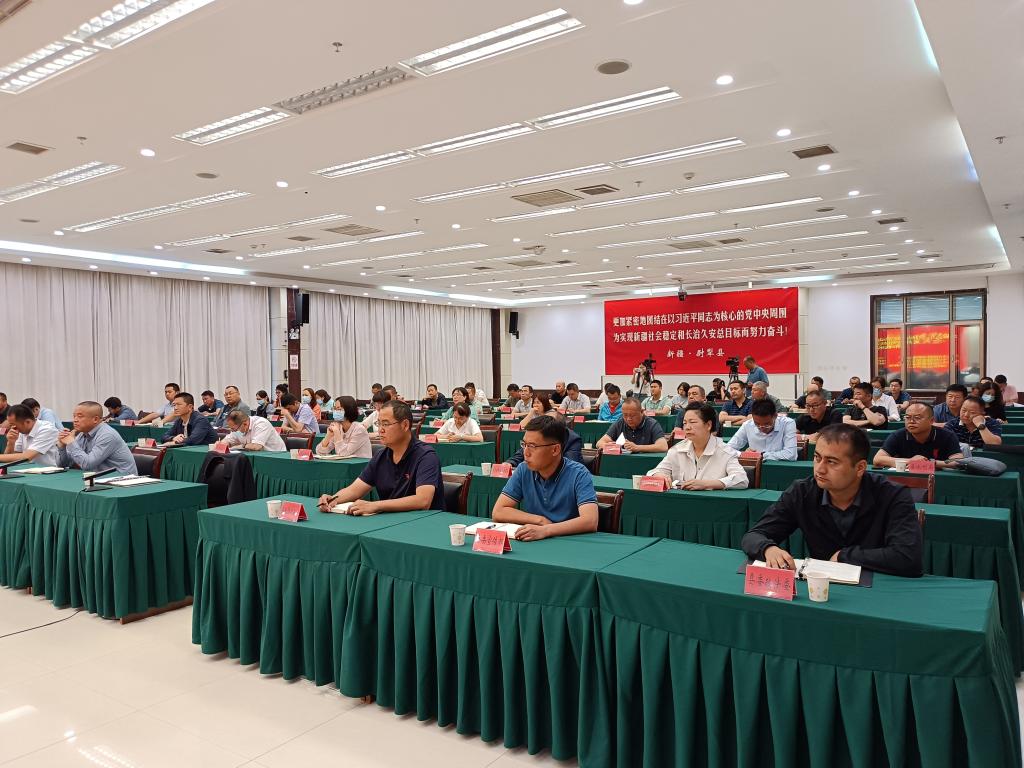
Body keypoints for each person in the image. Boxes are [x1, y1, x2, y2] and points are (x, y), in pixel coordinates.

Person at [741, 424, 923, 577]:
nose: (820, 469)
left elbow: (908, 557)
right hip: (819, 589)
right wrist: (768, 549)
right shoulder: (802, 491)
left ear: (860, 468)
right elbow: (753, 535)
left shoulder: (893, 495)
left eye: (832, 462)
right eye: (817, 458)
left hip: (878, 590)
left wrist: (845, 556)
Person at [317, 400, 444, 515]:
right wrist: (333, 499)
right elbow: (354, 490)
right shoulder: (381, 456)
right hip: (391, 520)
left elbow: (423, 501)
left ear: (405, 425)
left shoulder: (425, 456)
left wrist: (375, 505)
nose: (380, 430)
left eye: (386, 424)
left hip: (423, 521)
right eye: (379, 424)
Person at [491, 415, 598, 541]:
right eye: (524, 445)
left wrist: (546, 530)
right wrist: (540, 520)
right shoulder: (524, 469)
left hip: (569, 542)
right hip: (534, 540)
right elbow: (498, 512)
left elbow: (590, 521)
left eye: (532, 446)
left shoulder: (579, 474)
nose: (525, 452)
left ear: (555, 449)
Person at [648, 403, 748, 490]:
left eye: (692, 422)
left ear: (708, 425)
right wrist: (659, 475)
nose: (687, 427)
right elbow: (656, 471)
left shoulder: (725, 452)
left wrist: (707, 484)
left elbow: (741, 479)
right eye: (684, 423)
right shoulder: (677, 449)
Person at [873, 402, 963, 469]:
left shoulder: (947, 435)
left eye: (917, 418)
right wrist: (910, 461)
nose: (911, 421)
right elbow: (877, 459)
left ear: (931, 421)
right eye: (907, 417)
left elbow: (958, 462)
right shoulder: (898, 435)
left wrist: (931, 463)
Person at [57, 401, 136, 474]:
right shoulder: (82, 434)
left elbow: (87, 465)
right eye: (74, 416)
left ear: (95, 419)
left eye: (80, 416)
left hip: (122, 480)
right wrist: (62, 447)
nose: (75, 420)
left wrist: (71, 443)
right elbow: (65, 464)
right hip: (100, 478)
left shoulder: (107, 435)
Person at [727, 398, 798, 460]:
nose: (762, 428)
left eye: (767, 424)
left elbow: (791, 455)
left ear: (775, 416)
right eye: (757, 424)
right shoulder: (748, 425)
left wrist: (760, 455)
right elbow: (727, 450)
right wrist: (744, 454)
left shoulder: (787, 423)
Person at [507, 411, 583, 467]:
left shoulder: (572, 439)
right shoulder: (522, 469)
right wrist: (510, 463)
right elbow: (522, 452)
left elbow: (569, 466)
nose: (526, 453)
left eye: (547, 423)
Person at [596, 397, 668, 453]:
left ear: (642, 412)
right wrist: (610, 446)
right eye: (625, 415)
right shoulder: (620, 423)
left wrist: (637, 447)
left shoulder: (652, 424)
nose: (628, 419)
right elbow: (599, 443)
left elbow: (663, 446)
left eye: (632, 415)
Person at [223, 409, 287, 452]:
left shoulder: (261, 423)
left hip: (277, 456)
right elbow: (227, 440)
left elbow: (256, 446)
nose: (233, 431)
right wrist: (222, 444)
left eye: (234, 429)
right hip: (259, 456)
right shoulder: (238, 427)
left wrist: (241, 446)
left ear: (245, 424)